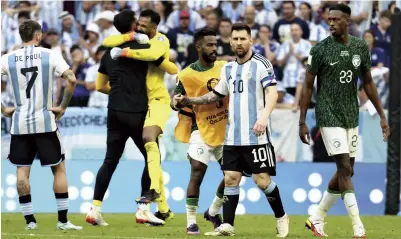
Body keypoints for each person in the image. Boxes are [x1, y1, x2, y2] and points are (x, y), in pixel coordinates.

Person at [174, 23, 289, 237]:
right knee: (230, 179)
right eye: (235, 39)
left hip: (256, 135)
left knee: (262, 181)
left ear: (250, 40)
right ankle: (227, 224)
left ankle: (281, 216)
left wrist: (263, 117)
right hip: (232, 135)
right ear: (231, 41)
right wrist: (190, 100)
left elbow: (272, 93)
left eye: (243, 39)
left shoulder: (262, 64)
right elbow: (214, 95)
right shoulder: (228, 68)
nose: (238, 43)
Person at [299, 4, 390, 238]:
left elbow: (368, 82)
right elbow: (308, 85)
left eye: (336, 20)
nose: (331, 23)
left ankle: (316, 218)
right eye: (328, 19)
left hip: (351, 114)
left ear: (347, 21)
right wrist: (302, 120)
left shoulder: (360, 46)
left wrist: (381, 115)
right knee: (344, 168)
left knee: (347, 171)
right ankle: (358, 227)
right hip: (328, 114)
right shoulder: (319, 50)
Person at [85, 9, 177, 227]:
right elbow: (167, 65)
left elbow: (99, 86)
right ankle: (144, 209)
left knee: (110, 160)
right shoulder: (144, 46)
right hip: (136, 111)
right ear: (134, 25)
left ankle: (95, 209)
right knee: (151, 157)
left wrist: (117, 91)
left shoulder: (108, 52)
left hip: (114, 111)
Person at [0, 20, 82, 231]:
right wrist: (62, 107)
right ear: (38, 36)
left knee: (22, 173)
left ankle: (30, 222)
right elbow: (71, 79)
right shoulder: (50, 54)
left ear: (21, 36)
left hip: (20, 125)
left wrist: (3, 109)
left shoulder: (7, 59)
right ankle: (63, 221)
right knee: (59, 169)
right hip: (45, 122)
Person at [172, 28, 226, 235]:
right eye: (209, 45)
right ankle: (191, 221)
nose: (214, 48)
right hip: (200, 128)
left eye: (215, 44)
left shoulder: (224, 68)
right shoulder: (186, 75)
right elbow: (174, 101)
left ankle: (213, 210)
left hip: (225, 128)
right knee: (197, 170)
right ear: (198, 47)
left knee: (233, 175)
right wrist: (176, 103)